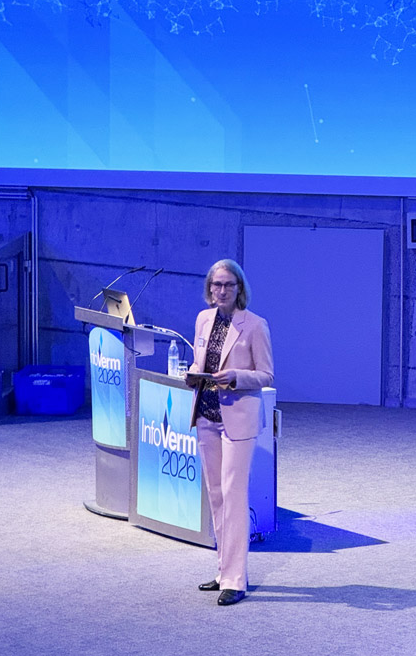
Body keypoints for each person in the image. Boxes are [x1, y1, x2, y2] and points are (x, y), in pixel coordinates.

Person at [185, 258, 273, 606]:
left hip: (237, 418)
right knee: (217, 495)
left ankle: (236, 580)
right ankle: (225, 570)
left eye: (227, 285)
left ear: (239, 289)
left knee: (234, 497)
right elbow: (201, 361)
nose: (221, 291)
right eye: (216, 285)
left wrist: (236, 376)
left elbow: (266, 375)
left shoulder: (255, 325)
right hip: (206, 414)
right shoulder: (203, 319)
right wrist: (193, 373)